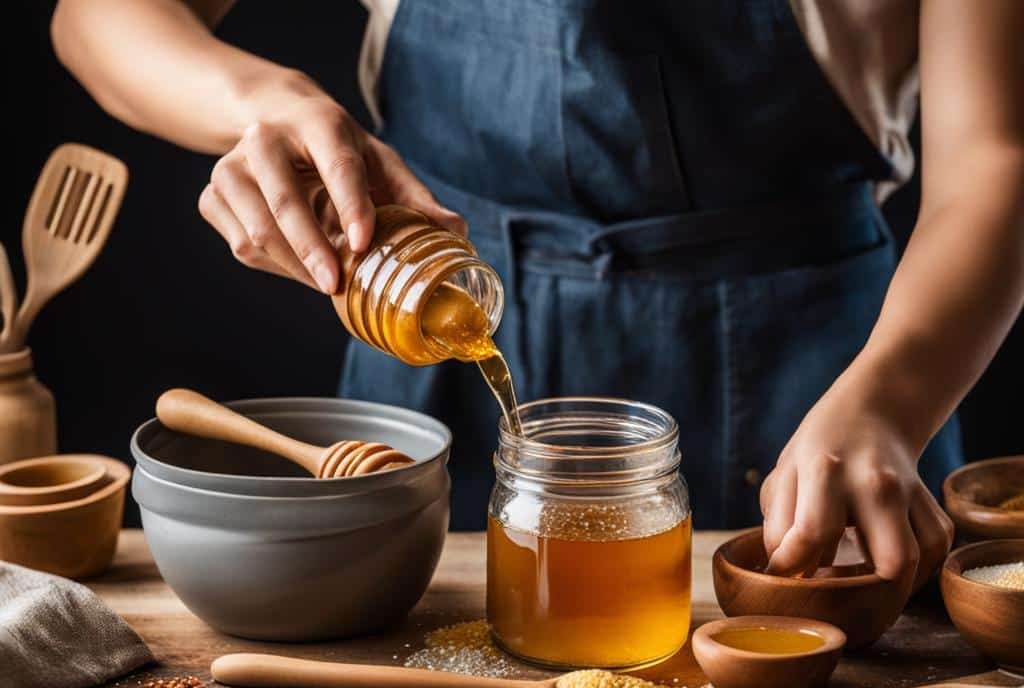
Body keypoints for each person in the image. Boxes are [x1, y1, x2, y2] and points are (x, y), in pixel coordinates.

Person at [52, 1, 1023, 589]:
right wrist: (258, 103)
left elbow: (994, 161)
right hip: (437, 323)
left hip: (824, 374)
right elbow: (94, 16)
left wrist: (889, 404)